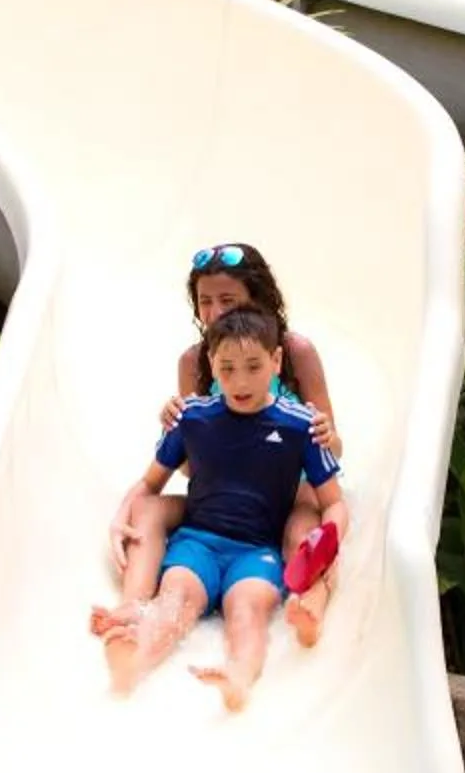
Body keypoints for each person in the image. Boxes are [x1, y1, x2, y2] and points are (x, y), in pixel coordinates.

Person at [91, 306, 347, 712]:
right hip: (197, 542)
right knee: (175, 599)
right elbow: (150, 483)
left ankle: (239, 676)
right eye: (226, 368)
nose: (240, 380)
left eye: (252, 366)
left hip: (257, 551)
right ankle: (132, 661)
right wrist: (122, 517)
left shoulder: (301, 426)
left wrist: (328, 543)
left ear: (276, 362)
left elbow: (333, 502)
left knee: (246, 611)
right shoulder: (192, 418)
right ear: (211, 363)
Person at [109, 242, 343, 646]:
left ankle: (312, 600)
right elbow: (188, 468)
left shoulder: (294, 353)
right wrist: (175, 429)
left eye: (228, 300)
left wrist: (323, 433)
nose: (216, 312)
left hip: (290, 483)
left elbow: (333, 451)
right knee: (147, 508)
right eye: (205, 301)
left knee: (301, 525)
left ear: (259, 301)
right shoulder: (195, 362)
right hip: (221, 497)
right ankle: (133, 604)